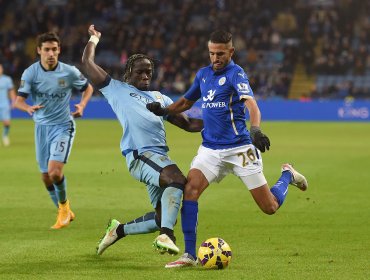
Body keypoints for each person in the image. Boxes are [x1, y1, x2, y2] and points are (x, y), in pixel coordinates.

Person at [147, 30, 308, 268]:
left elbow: (252, 104)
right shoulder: (203, 75)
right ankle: (189, 255)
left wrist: (255, 130)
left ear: (230, 52)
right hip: (210, 150)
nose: (215, 58)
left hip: (239, 149)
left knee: (270, 207)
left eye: (220, 53)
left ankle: (287, 174)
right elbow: (185, 102)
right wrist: (164, 111)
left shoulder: (236, 74)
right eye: (212, 53)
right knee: (190, 190)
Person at [81, 25, 203, 256]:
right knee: (176, 179)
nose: (145, 76)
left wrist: (221, 121)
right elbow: (87, 64)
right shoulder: (116, 89)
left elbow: (189, 124)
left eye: (149, 72)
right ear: (128, 74)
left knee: (161, 216)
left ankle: (118, 230)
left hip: (158, 158)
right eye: (140, 72)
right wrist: (94, 39)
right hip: (140, 155)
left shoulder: (160, 98)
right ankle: (167, 235)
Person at [14, 32, 94, 229]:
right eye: (47, 49)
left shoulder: (69, 72)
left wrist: (82, 105)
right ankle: (63, 209)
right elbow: (18, 101)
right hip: (41, 128)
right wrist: (27, 108)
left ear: (59, 50)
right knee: (45, 176)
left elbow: (88, 87)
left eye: (54, 49)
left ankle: (64, 208)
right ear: (39, 50)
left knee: (55, 172)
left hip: (63, 126)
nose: (51, 53)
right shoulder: (30, 73)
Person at [0, 63, 16, 147]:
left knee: (7, 122)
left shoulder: (7, 79)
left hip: (4, 104)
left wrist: (13, 101)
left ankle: (5, 135)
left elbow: (11, 91)